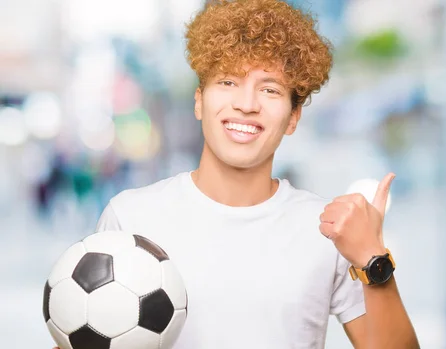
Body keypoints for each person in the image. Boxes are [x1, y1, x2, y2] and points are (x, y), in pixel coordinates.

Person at [56, 0, 420, 348]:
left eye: (270, 89)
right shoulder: (130, 217)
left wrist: (373, 259)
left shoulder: (326, 230)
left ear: (293, 117)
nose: (246, 104)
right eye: (228, 82)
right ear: (199, 101)